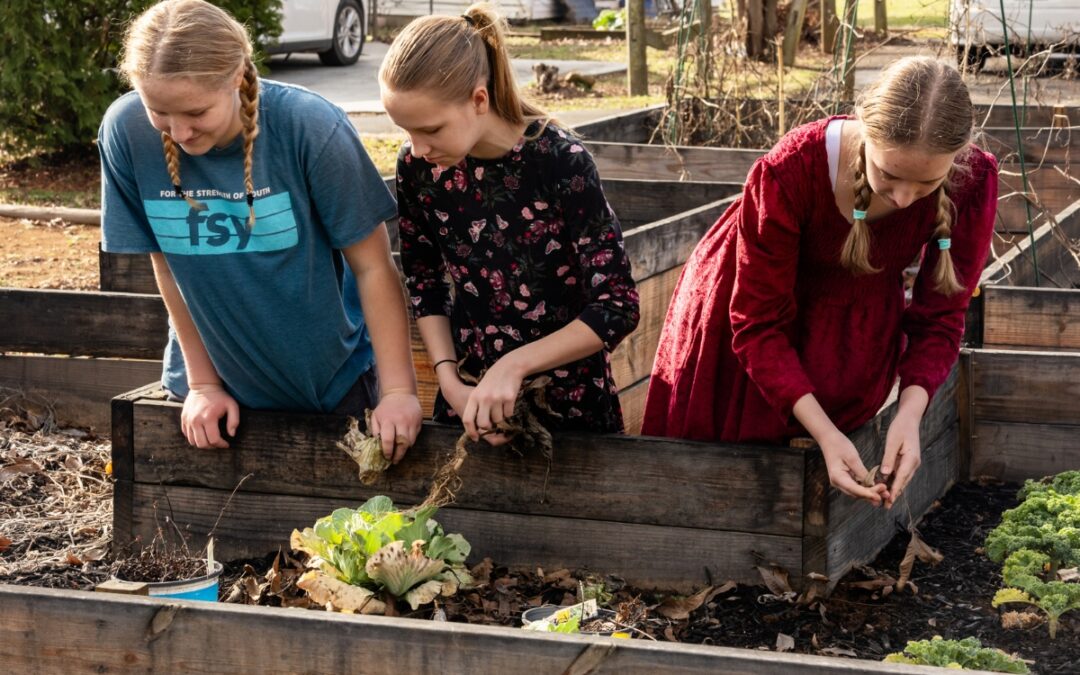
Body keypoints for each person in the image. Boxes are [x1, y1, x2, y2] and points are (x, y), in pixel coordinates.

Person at [642, 57, 998, 508]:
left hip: (851, 336)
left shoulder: (974, 179)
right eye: (888, 174)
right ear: (865, 132)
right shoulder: (791, 171)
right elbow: (756, 325)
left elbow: (942, 316)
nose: (905, 198)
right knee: (717, 497)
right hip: (747, 329)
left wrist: (911, 414)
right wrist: (826, 435)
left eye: (927, 183)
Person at [99, 0, 422, 459]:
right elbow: (168, 264)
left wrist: (397, 394)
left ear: (235, 76)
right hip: (210, 399)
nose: (179, 133)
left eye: (196, 112)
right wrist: (203, 383)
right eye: (160, 112)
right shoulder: (126, 131)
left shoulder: (311, 128)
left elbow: (373, 267)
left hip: (329, 388)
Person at [378, 3, 640, 443]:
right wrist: (449, 381)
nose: (418, 147)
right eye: (406, 132)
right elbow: (424, 281)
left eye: (431, 129)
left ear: (479, 99)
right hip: (467, 405)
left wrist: (513, 366)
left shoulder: (560, 162)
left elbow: (617, 306)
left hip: (569, 415)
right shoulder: (420, 168)